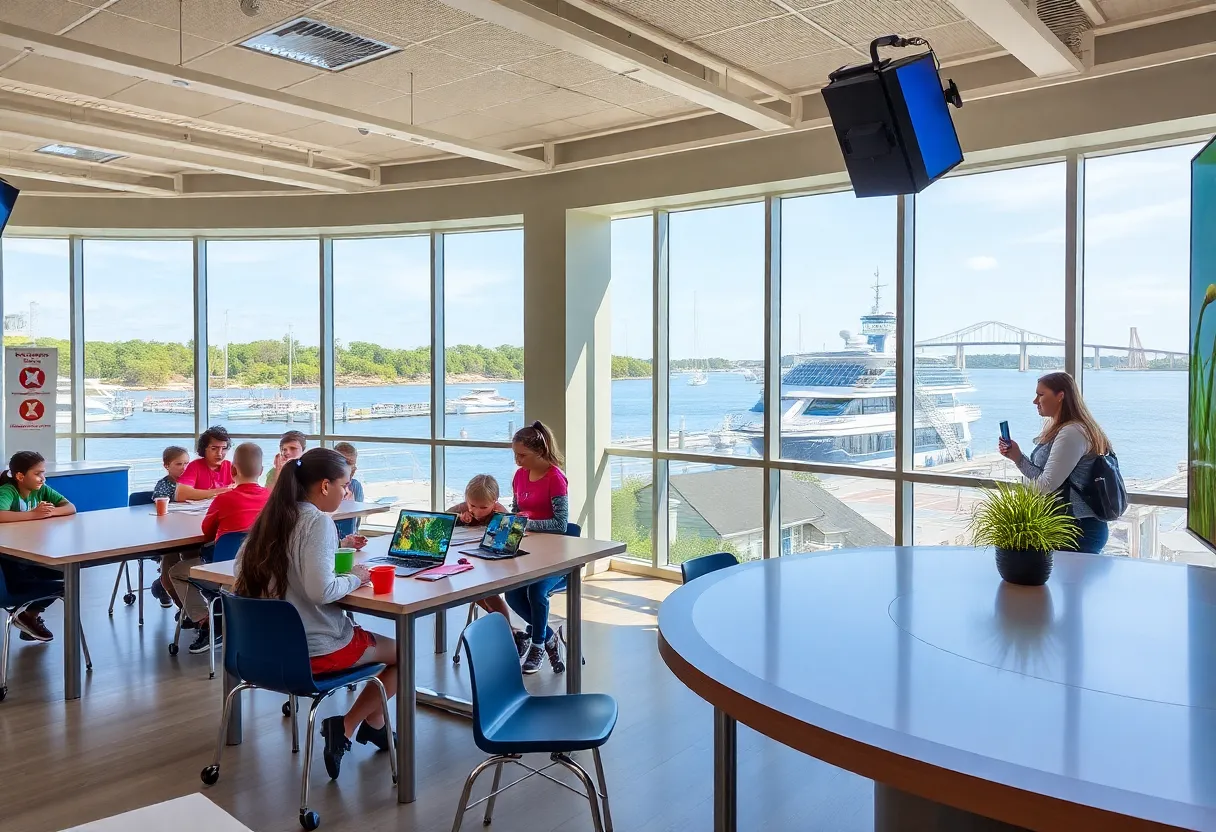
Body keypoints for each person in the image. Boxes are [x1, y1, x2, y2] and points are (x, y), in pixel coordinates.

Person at [234, 448, 395, 780]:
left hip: (260, 653)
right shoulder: (318, 522)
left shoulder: (272, 517)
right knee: (402, 652)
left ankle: (376, 725)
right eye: (344, 485)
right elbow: (320, 592)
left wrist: (334, 552)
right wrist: (358, 576)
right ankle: (347, 726)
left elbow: (253, 570)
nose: (346, 492)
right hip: (313, 651)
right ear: (324, 486)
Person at [998, 371, 1114, 554]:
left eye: (1040, 394)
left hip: (1076, 530)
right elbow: (1049, 480)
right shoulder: (1062, 429)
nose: (1035, 401)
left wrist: (1020, 461)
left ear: (1060, 396)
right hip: (1067, 527)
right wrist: (1017, 457)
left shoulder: (1072, 432)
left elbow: (1046, 486)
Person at [171, 443, 270, 654]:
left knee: (176, 571)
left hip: (226, 573)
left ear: (233, 470)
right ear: (261, 472)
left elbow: (207, 533)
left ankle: (207, 623)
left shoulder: (224, 500)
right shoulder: (273, 499)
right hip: (264, 572)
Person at [503, 421, 569, 674]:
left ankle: (538, 644)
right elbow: (515, 512)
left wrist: (525, 522)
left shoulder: (555, 478)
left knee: (536, 592)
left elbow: (560, 524)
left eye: (522, 455)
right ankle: (550, 636)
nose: (518, 461)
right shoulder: (519, 476)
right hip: (527, 551)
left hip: (555, 555)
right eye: (515, 455)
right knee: (512, 594)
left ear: (539, 452)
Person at [0, 451, 77, 642]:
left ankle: (28, 618)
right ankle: (29, 618)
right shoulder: (8, 491)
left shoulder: (41, 489)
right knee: (67, 584)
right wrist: (34, 515)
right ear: (20, 476)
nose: (43, 477)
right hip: (11, 565)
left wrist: (48, 513)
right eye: (38, 473)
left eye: (43, 473)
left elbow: (70, 507)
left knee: (66, 574)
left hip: (32, 555)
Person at [446, 474, 514, 626]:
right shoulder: (464, 508)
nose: (477, 511)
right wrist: (459, 518)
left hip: (493, 564)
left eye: (484, 507)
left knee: (487, 592)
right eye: (472, 506)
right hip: (468, 560)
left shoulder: (500, 512)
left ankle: (508, 628)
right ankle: (501, 623)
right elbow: (443, 519)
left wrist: (499, 522)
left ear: (495, 501)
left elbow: (509, 535)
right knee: (471, 588)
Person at [151, 445, 190, 608]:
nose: (184, 468)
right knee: (171, 557)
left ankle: (191, 601)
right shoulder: (164, 485)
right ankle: (181, 604)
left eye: (187, 463)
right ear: (167, 466)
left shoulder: (191, 482)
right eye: (179, 464)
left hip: (189, 529)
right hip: (170, 532)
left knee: (192, 554)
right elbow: (160, 505)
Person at [175, 426, 234, 501]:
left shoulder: (231, 467)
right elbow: (181, 494)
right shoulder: (195, 466)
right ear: (204, 448)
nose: (219, 453)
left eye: (224, 448)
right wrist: (222, 491)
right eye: (214, 448)